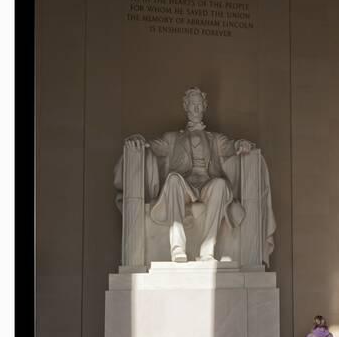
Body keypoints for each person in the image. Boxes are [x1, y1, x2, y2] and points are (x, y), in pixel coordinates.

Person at [115, 87, 276, 263]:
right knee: (173, 180)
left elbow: (231, 146)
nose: (196, 108)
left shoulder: (215, 138)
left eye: (199, 104)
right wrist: (137, 139)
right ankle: (177, 247)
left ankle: (208, 249)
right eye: (192, 104)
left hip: (207, 184)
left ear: (204, 106)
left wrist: (241, 144)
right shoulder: (172, 138)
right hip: (184, 186)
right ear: (186, 106)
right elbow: (151, 146)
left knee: (221, 184)